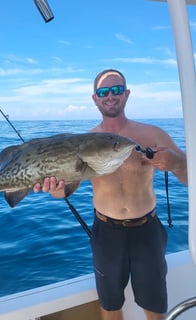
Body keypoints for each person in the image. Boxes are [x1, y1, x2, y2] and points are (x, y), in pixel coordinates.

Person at [33, 69, 188, 320]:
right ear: (95, 98)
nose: (110, 96)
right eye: (104, 92)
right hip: (106, 234)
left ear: (126, 94)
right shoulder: (84, 141)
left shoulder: (153, 134)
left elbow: (188, 176)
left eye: (116, 90)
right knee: (110, 306)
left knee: (155, 307)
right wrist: (57, 190)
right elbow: (63, 192)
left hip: (147, 231)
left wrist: (177, 163)